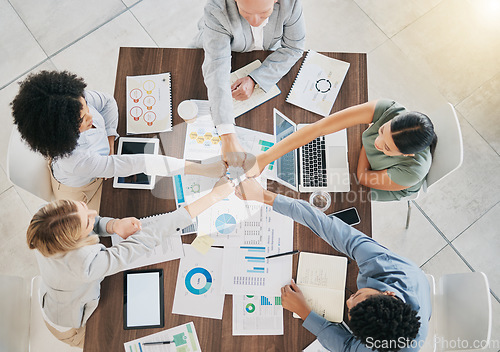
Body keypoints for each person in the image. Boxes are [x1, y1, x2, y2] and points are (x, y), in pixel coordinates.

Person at [27, 176, 235, 348]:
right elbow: (143, 242)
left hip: (61, 291)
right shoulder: (85, 265)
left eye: (83, 206)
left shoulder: (46, 220)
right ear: (75, 240)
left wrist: (113, 225)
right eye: (88, 222)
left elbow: (88, 221)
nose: (93, 214)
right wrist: (214, 196)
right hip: (70, 325)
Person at [235, 178, 430, 352]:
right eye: (356, 295)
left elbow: (347, 347)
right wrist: (263, 196)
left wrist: (305, 312)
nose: (348, 301)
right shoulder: (388, 266)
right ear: (389, 294)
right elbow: (328, 227)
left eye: (349, 311)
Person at [11, 70, 226, 211]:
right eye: (83, 120)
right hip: (84, 191)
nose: (91, 117)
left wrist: (110, 142)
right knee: (129, 211)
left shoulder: (72, 101)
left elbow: (107, 102)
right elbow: (143, 163)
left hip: (100, 166)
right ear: (63, 132)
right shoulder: (75, 158)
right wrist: (204, 170)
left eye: (86, 106)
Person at [246, 100, 437, 201]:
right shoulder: (388, 109)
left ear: (406, 154)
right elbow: (319, 128)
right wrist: (265, 157)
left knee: (342, 197)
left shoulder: (412, 173)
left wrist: (365, 144)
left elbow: (363, 177)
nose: (377, 143)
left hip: (377, 184)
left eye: (386, 147)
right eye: (380, 131)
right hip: (365, 164)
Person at [193, 0, 305, 166]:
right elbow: (217, 69)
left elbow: (294, 48)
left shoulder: (291, 4)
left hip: (263, 52)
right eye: (246, 13)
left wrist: (256, 78)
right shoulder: (216, 8)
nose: (254, 22)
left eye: (263, 14)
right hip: (217, 48)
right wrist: (227, 134)